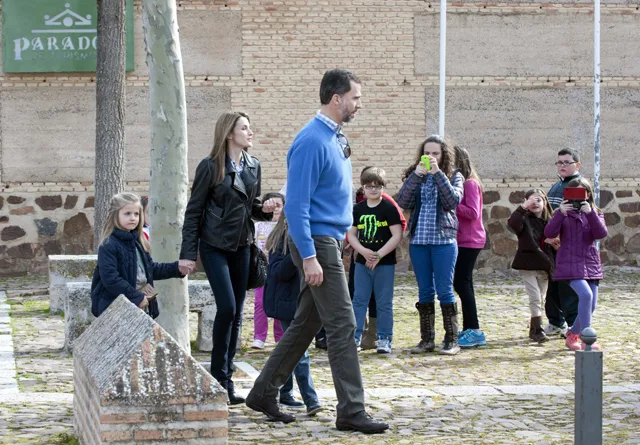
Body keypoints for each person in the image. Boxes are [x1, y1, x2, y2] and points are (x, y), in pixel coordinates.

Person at [246, 69, 389, 434]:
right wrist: (309, 255)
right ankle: (351, 411)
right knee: (343, 323)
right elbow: (295, 205)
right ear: (337, 98)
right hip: (316, 242)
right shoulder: (311, 140)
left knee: (307, 323)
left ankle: (263, 391)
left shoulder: (334, 138)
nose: (359, 104)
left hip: (329, 240)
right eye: (355, 97)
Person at [180, 111, 278, 406]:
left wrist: (268, 208)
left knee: (236, 314)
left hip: (242, 246)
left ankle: (225, 381)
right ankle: (217, 376)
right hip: (214, 246)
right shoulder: (210, 167)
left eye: (249, 127)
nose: (250, 132)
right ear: (229, 133)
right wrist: (187, 254)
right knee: (227, 307)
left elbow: (251, 207)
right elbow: (194, 211)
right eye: (244, 128)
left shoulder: (253, 165)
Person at [397, 135, 464, 355]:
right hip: (419, 241)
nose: (431, 157)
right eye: (427, 153)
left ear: (443, 155)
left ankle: (451, 340)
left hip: (444, 241)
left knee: (444, 289)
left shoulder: (454, 176)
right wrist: (416, 176)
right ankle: (427, 340)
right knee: (424, 290)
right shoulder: (415, 175)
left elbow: (452, 202)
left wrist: (438, 174)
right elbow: (403, 202)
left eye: (435, 153)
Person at [91, 193, 190, 318]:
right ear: (115, 215)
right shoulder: (108, 245)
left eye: (136, 214)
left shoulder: (138, 242)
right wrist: (136, 297)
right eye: (127, 214)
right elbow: (111, 279)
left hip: (139, 306)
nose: (133, 218)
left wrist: (177, 268)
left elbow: (150, 269)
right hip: (117, 309)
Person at [263, 210, 323, 415]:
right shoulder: (280, 242)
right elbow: (278, 272)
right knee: (299, 351)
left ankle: (285, 393)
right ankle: (311, 399)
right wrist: (297, 253)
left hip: (302, 301)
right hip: (286, 303)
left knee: (288, 349)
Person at [544, 177, 608, 351]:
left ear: (588, 194)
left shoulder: (595, 211)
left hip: (590, 262)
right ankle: (588, 339)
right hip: (569, 263)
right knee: (585, 296)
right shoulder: (563, 213)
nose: (579, 197)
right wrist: (559, 213)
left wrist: (591, 214)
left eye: (582, 193)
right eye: (574, 193)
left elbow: (600, 234)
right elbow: (549, 232)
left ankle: (572, 333)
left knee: (591, 304)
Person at [347, 167, 403, 354]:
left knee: (384, 301)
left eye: (378, 186)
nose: (373, 190)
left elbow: (396, 235)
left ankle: (384, 338)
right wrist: (363, 251)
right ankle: (355, 337)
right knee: (359, 300)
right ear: (363, 188)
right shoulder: (358, 209)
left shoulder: (389, 208)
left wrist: (379, 255)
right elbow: (352, 234)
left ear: (383, 188)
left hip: (384, 263)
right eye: (369, 186)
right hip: (363, 263)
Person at [507, 189, 555, 343]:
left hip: (545, 265)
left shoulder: (551, 221)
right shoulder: (523, 219)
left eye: (539, 200)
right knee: (535, 298)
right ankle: (538, 330)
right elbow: (513, 224)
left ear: (545, 202)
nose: (535, 204)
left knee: (541, 298)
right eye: (531, 201)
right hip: (528, 264)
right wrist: (523, 207)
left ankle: (534, 329)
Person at [452, 145, 487, 349]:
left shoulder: (470, 184)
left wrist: (450, 202)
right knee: (464, 283)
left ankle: (474, 330)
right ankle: (469, 328)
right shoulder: (463, 183)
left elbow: (473, 212)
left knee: (461, 283)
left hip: (470, 239)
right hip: (462, 239)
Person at [544, 148, 582, 337]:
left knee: (568, 290)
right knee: (554, 288)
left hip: (567, 246)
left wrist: (560, 238)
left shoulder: (577, 185)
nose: (562, 166)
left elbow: (576, 217)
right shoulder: (557, 185)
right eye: (559, 162)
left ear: (577, 165)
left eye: (567, 162)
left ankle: (574, 327)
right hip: (552, 243)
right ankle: (556, 322)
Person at [251, 192, 285, 350]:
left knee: (280, 302)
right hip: (263, 269)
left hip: (280, 269)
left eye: (279, 205)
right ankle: (259, 337)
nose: (276, 209)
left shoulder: (286, 227)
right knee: (260, 303)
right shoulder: (258, 226)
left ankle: (280, 336)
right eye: (273, 205)